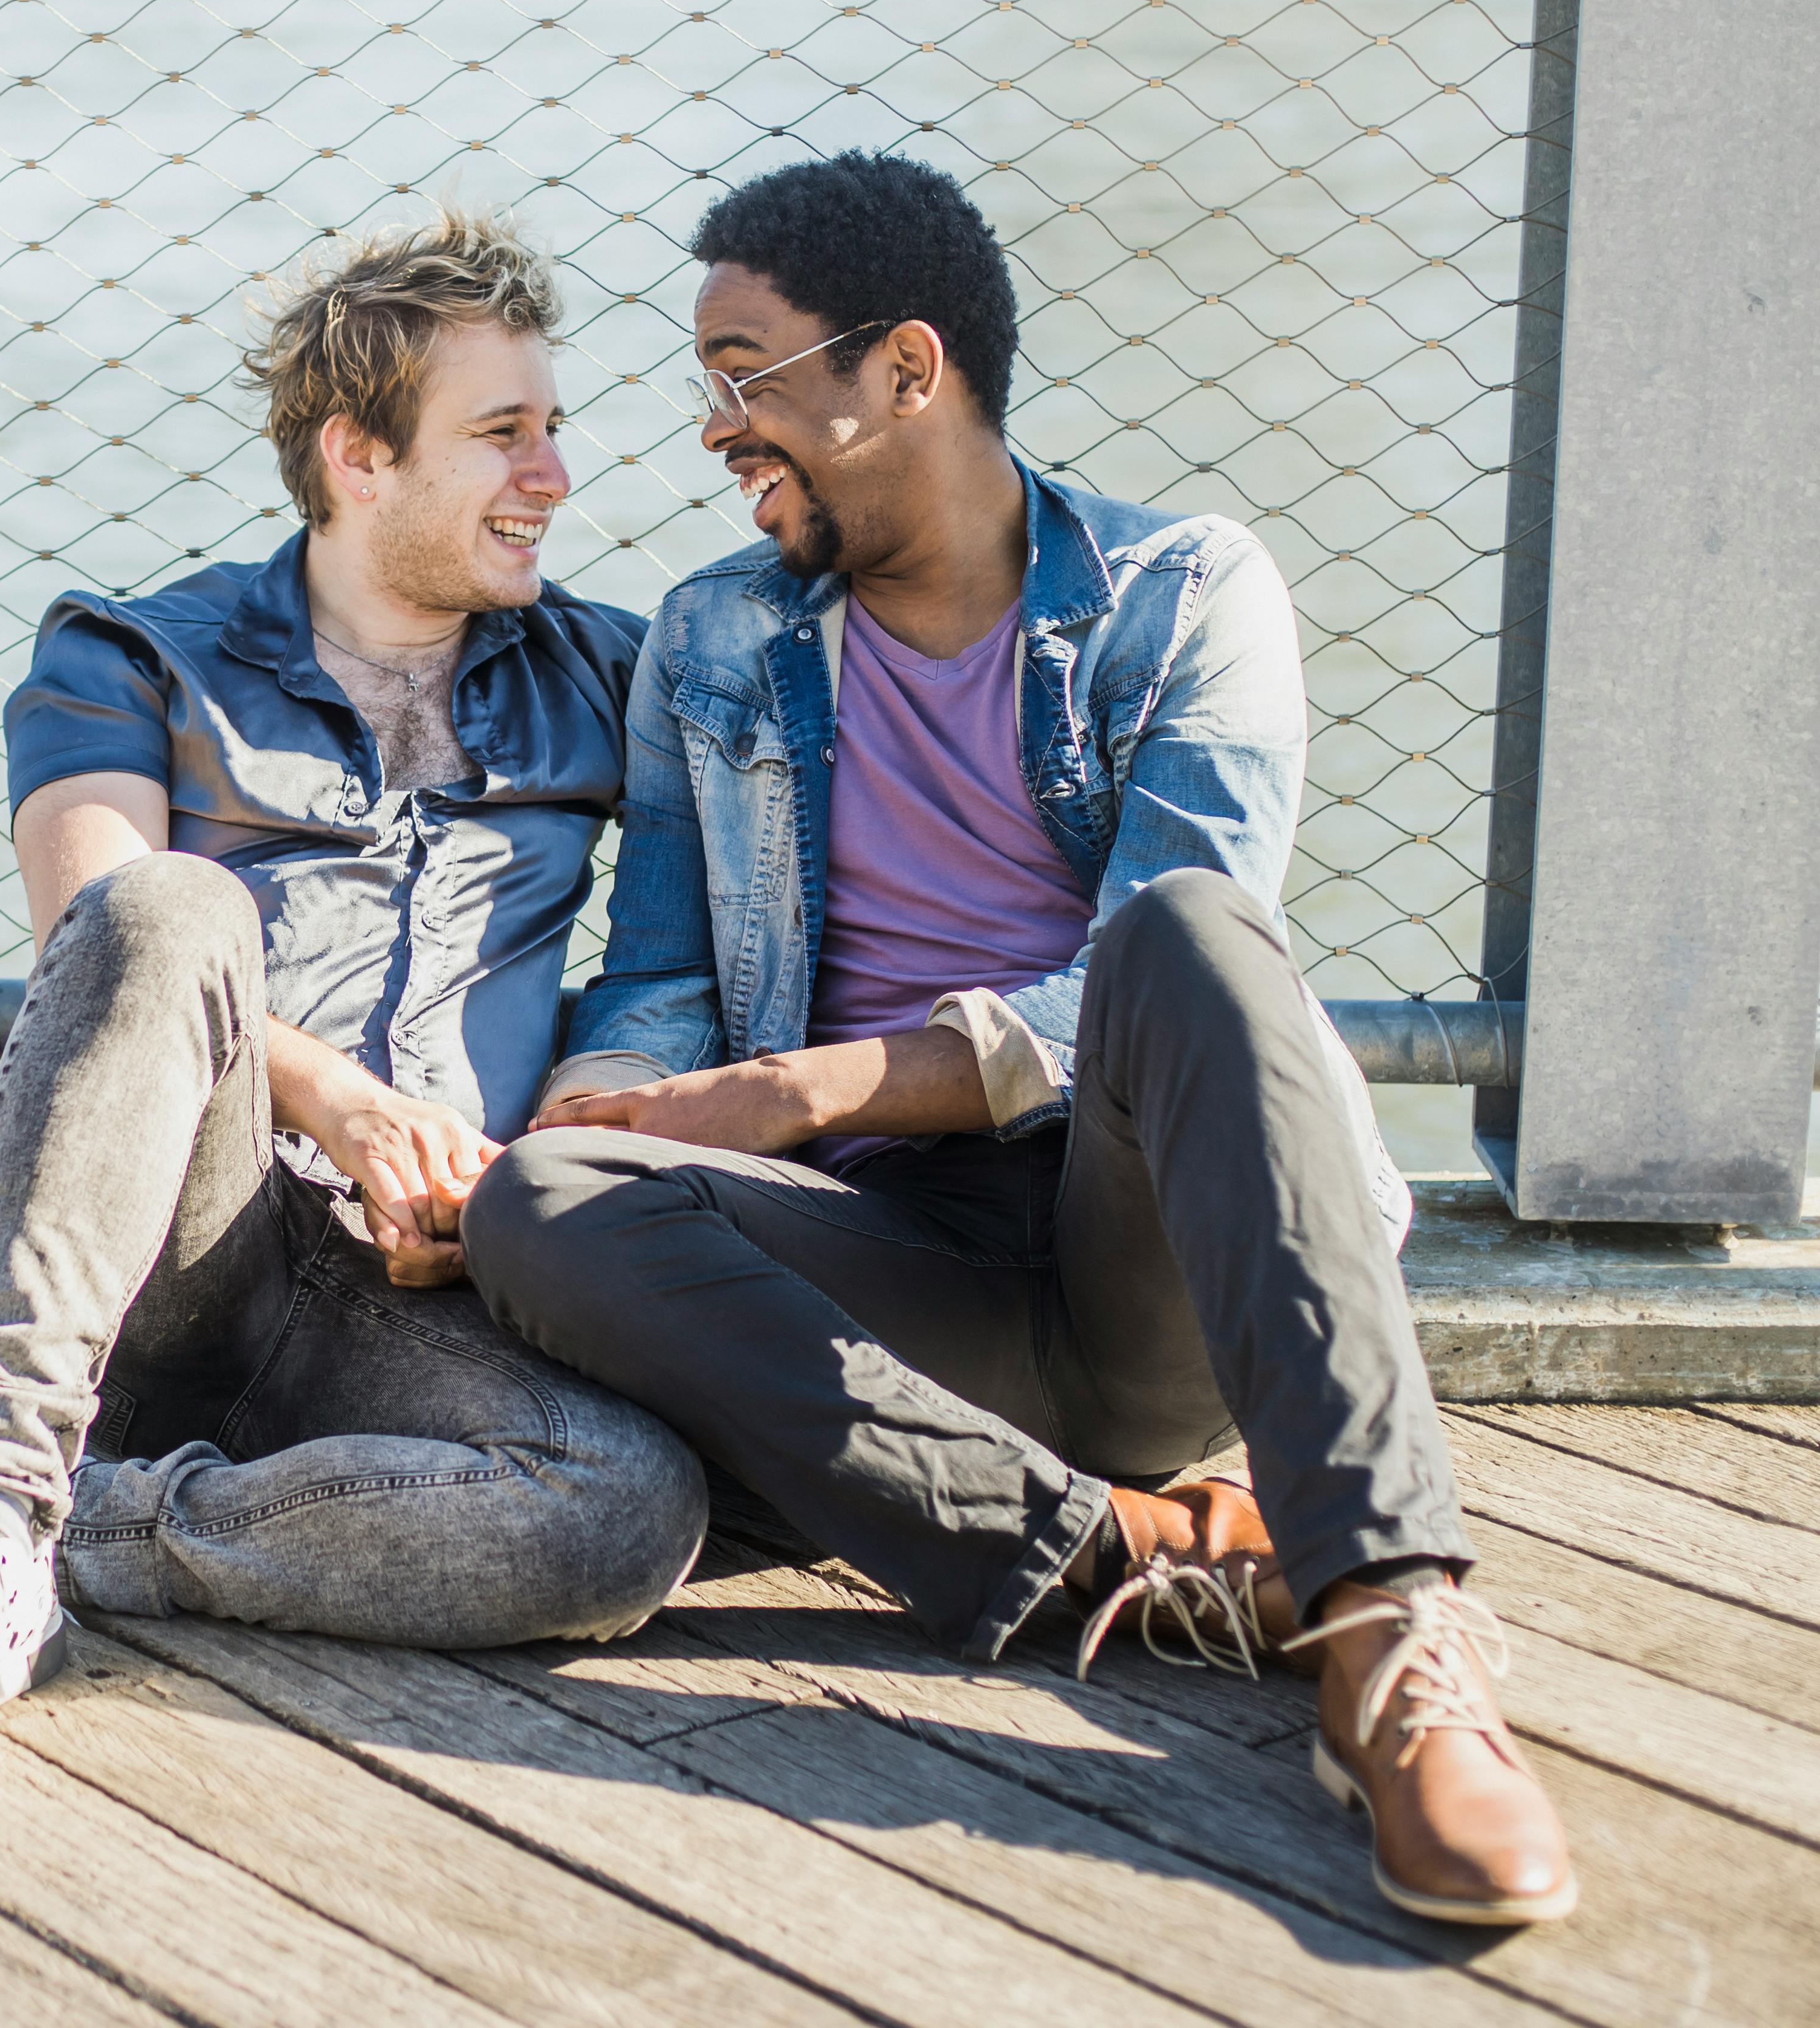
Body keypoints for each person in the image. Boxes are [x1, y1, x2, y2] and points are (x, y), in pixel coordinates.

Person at [455, 152, 1577, 1929]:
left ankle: (1390, 1630)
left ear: (904, 371)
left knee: (1196, 935)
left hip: (1151, 1261)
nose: (710, 432)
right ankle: (1138, 1570)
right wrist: (604, 1109)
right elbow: (660, 968)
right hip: (886, 1274)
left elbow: (1156, 991)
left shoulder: (1181, 595)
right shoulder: (717, 638)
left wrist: (804, 1085)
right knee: (548, 1200)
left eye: (745, 379)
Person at [0, 207, 708, 1800]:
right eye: (503, 436)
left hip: (430, 1294)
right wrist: (351, 1107)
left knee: (626, 1508)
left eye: (554, 430)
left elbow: (672, 969)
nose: (554, 477)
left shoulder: (612, 673)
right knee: (168, 902)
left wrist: (532, 1178)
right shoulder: (132, 659)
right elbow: (92, 933)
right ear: (358, 458)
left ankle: (74, 1536)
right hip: (183, 1250)